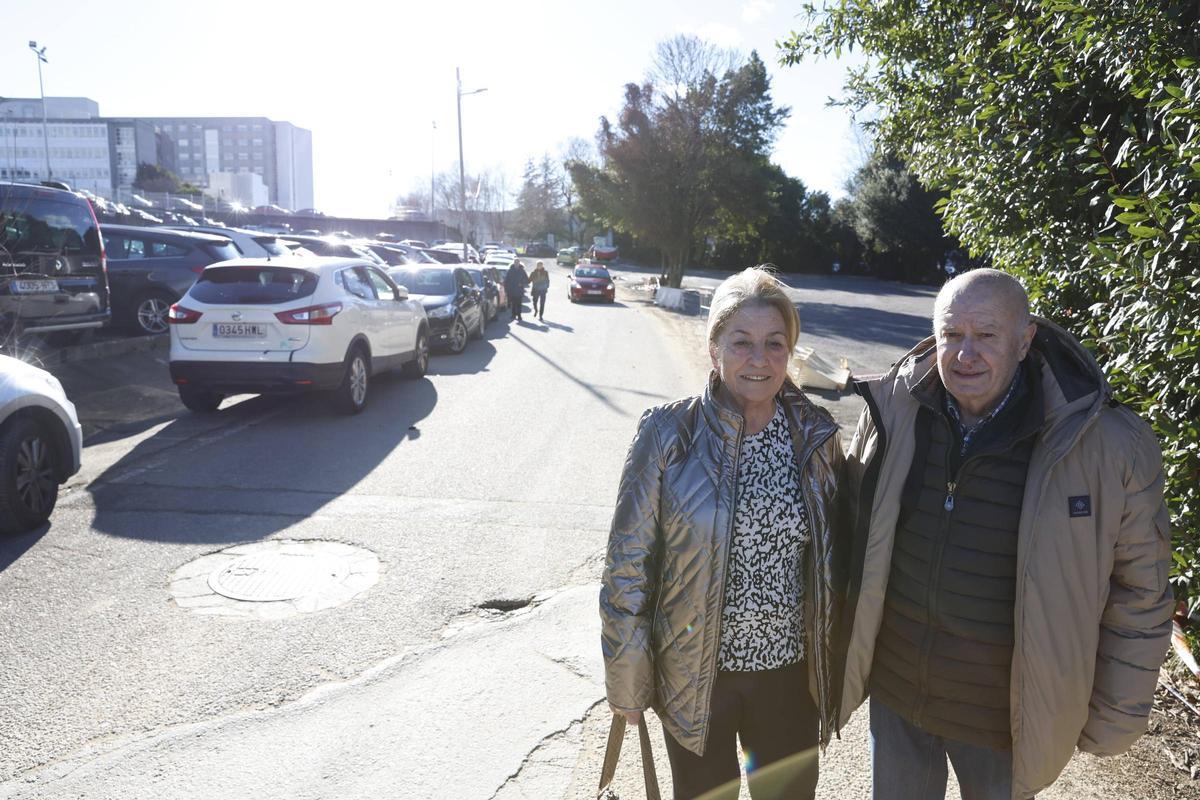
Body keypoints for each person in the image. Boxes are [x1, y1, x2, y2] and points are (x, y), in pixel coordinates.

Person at [838, 268, 1172, 799]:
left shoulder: (1106, 444)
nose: (965, 353)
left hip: (1005, 720)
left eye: (986, 335)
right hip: (899, 692)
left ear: (1024, 340)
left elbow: (1142, 589)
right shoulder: (895, 412)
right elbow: (849, 531)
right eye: (951, 334)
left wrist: (1116, 712)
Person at [600, 266, 846, 800]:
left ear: (790, 351)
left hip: (788, 677)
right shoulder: (668, 434)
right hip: (694, 678)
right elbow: (627, 565)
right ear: (714, 349)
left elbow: (837, 564)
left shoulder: (818, 437)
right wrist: (627, 681)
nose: (759, 359)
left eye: (774, 343)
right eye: (742, 342)